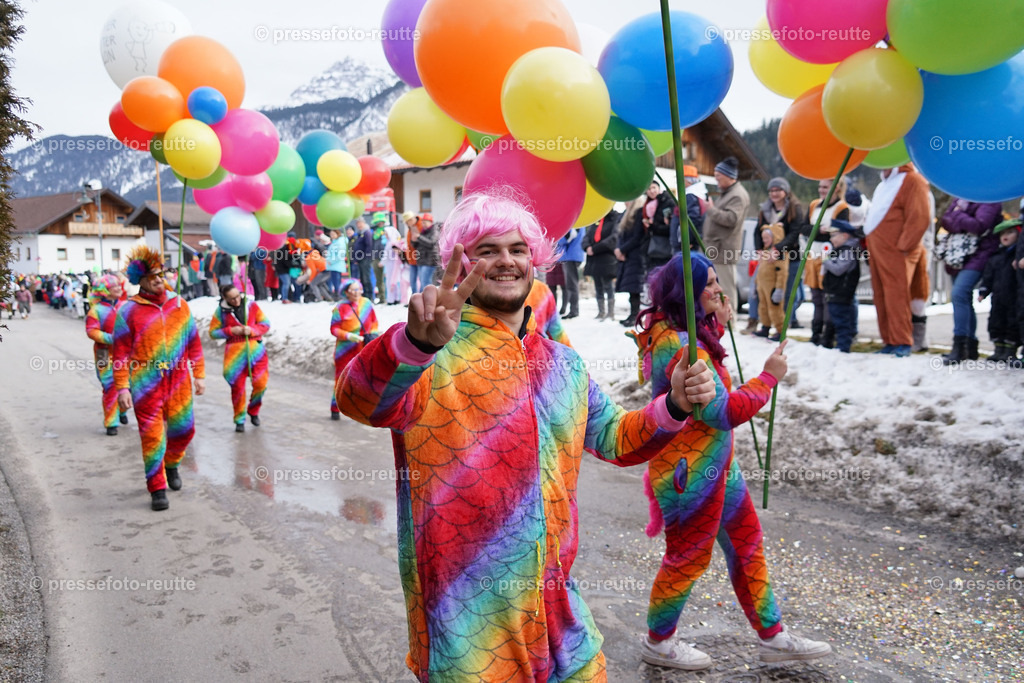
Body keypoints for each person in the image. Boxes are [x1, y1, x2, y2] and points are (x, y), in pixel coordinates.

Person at [335, 191, 717, 682]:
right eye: (487, 250)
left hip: (559, 612)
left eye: (517, 249)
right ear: (461, 262)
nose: (506, 260)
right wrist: (412, 346)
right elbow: (360, 400)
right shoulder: (431, 352)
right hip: (469, 624)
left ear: (534, 259)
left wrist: (674, 405)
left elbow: (616, 438)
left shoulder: (562, 362)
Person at [631, 251, 832, 671]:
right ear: (686, 292)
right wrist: (768, 377)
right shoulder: (681, 346)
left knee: (746, 544)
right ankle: (659, 642)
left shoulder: (682, 333)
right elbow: (723, 412)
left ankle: (773, 636)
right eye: (708, 284)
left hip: (719, 469)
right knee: (688, 557)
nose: (718, 288)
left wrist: (717, 322)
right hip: (688, 474)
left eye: (716, 280)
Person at [113, 245, 205, 511]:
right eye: (152, 276)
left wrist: (199, 374)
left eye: (160, 274)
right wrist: (122, 387)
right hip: (145, 381)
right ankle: (157, 487)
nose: (158, 280)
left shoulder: (179, 305)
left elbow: (193, 342)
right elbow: (120, 353)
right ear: (139, 280)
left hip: (179, 379)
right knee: (152, 437)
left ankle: (172, 463)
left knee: (184, 430)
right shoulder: (128, 311)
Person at [862, 164, 932, 357]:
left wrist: (904, 245)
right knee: (881, 296)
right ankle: (889, 340)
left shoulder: (912, 180)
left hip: (897, 251)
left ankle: (902, 340)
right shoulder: (883, 186)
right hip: (878, 250)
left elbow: (919, 215)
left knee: (897, 296)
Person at [936, 198, 1001, 364]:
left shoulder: (990, 199)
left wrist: (958, 215)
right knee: (964, 298)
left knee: (959, 293)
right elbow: (946, 220)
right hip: (958, 255)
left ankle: (959, 345)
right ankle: (969, 346)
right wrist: (964, 221)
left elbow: (980, 225)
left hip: (980, 253)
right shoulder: (961, 197)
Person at [209, 284, 270, 432]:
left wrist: (253, 330)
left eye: (237, 296)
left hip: (256, 351)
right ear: (225, 298)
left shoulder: (251, 305)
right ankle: (239, 420)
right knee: (238, 388)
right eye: (232, 299)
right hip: (234, 355)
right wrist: (231, 331)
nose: (236, 301)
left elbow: (265, 324)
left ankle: (253, 410)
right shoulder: (221, 312)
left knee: (261, 384)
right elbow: (213, 333)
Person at [753, 177, 808, 330]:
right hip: (768, 258)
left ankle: (785, 324)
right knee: (767, 293)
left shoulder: (794, 209)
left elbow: (794, 233)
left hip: (789, 256)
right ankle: (770, 324)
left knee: (787, 292)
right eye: (771, 191)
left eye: (778, 190)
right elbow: (757, 231)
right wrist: (759, 249)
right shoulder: (765, 210)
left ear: (786, 191)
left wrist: (777, 248)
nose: (774, 193)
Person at [805, 177, 851, 347]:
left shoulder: (841, 208)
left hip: (829, 256)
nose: (821, 190)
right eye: (820, 186)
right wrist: (819, 230)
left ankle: (828, 336)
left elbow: (838, 233)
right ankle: (815, 333)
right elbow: (804, 228)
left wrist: (817, 232)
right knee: (816, 297)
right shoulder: (814, 205)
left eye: (825, 187)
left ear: (836, 188)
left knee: (827, 298)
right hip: (813, 255)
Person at [703, 156, 750, 312]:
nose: (716, 179)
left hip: (724, 251)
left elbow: (731, 219)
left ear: (729, 176)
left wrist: (710, 209)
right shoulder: (728, 193)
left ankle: (730, 321)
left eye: (718, 176)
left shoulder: (737, 195)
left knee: (726, 291)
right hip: (717, 250)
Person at [329, 279, 378, 421]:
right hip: (345, 350)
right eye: (352, 290)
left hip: (364, 348)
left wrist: (372, 335)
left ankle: (361, 408)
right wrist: (348, 336)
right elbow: (334, 329)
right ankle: (335, 407)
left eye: (358, 289)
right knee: (342, 379)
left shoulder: (366, 303)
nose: (356, 293)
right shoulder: (340, 308)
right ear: (346, 292)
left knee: (364, 380)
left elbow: (374, 322)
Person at [85, 274, 127, 435]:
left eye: (118, 284)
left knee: (127, 385)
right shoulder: (96, 310)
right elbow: (91, 331)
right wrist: (111, 338)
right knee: (110, 387)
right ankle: (111, 423)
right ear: (104, 291)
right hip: (105, 355)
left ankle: (122, 410)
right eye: (113, 286)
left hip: (126, 354)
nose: (118, 288)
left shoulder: (125, 306)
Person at [978, 219, 1021, 363]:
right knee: (996, 321)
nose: (1005, 236)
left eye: (1010, 232)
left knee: (1012, 322)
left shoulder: (1017, 256)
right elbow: (988, 277)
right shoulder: (996, 256)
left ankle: (1010, 351)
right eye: (1002, 234)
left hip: (1014, 297)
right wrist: (984, 291)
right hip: (998, 297)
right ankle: (998, 350)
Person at [822, 220, 864, 353]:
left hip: (841, 292)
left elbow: (839, 269)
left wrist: (826, 260)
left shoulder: (848, 251)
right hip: (836, 292)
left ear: (845, 235)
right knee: (837, 319)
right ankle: (837, 345)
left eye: (833, 235)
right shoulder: (840, 249)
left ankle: (843, 348)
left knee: (842, 322)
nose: (831, 239)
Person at [615, 197, 649, 326]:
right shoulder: (626, 215)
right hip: (628, 255)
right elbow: (621, 236)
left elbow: (637, 237)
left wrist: (622, 250)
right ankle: (632, 314)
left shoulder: (638, 214)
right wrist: (619, 250)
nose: (626, 202)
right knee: (631, 289)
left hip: (636, 255)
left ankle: (635, 316)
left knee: (635, 288)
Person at [753, 223, 788, 341]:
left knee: (775, 308)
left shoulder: (779, 254)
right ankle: (765, 326)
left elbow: (782, 272)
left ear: (774, 237)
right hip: (762, 286)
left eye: (767, 238)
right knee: (763, 307)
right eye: (763, 238)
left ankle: (780, 330)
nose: (764, 241)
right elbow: (760, 270)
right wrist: (756, 284)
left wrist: (779, 288)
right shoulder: (765, 251)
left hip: (772, 287)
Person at [582, 210, 619, 320]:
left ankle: (610, 313)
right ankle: (601, 312)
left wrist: (595, 249)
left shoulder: (614, 218)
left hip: (607, 257)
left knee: (608, 285)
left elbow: (614, 238)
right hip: (594, 259)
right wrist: (587, 247)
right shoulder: (596, 218)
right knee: (598, 286)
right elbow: (586, 237)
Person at [642, 181, 678, 272]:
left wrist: (652, 226)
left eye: (654, 188)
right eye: (649, 189)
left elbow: (671, 227)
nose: (652, 191)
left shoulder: (668, 202)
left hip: (663, 247)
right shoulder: (647, 205)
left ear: (659, 188)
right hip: (651, 247)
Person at [524, 277, 571, 346]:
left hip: (538, 348)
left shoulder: (541, 289)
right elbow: (556, 331)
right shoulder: (540, 289)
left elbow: (556, 331)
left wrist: (569, 352)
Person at [559, 226, 584, 318]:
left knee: (571, 284)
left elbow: (568, 236)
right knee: (571, 284)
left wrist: (558, 239)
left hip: (571, 256)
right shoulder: (580, 222)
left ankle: (574, 310)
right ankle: (573, 310)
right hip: (573, 255)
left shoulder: (575, 223)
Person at [411, 212, 440, 291]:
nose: (423, 224)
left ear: (430, 222)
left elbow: (431, 243)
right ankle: (424, 298)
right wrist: (413, 240)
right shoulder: (423, 231)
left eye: (425, 222)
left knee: (426, 283)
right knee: (422, 283)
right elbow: (416, 245)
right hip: (421, 261)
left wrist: (419, 237)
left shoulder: (434, 230)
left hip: (429, 262)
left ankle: (428, 298)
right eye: (422, 222)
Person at [324, 229, 349, 300]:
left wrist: (331, 261)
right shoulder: (334, 242)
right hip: (333, 266)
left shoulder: (340, 242)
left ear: (338, 234)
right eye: (331, 234)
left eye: (333, 234)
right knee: (334, 282)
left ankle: (339, 295)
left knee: (337, 282)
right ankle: (337, 295)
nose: (332, 236)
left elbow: (340, 255)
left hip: (336, 265)